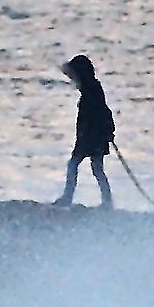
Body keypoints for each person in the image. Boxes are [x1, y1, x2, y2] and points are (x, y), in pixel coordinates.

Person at [52, 54, 113, 209]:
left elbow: (104, 112)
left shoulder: (92, 91)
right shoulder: (90, 90)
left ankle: (69, 197)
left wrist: (107, 131)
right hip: (91, 137)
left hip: (92, 138)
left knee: (77, 165)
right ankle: (106, 201)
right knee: (96, 169)